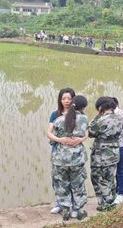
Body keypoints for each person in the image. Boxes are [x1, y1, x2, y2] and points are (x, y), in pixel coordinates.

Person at [48, 95, 89, 221]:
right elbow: (86, 132)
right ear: (84, 107)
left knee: (62, 185)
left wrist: (62, 141)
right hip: (77, 158)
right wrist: (79, 140)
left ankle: (66, 212)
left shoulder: (59, 120)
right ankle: (79, 211)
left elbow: (52, 139)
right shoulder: (85, 119)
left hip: (61, 159)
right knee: (78, 184)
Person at [88, 97, 123, 211]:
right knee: (110, 177)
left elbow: (91, 132)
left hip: (101, 154)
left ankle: (106, 204)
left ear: (100, 107)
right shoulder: (119, 117)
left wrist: (97, 116)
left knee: (99, 178)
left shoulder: (101, 119)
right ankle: (111, 201)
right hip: (114, 152)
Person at [48, 87, 77, 216]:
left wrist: (77, 140)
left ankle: (75, 206)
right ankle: (60, 203)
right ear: (60, 100)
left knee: (74, 179)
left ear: (73, 100)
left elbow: (84, 132)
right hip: (58, 150)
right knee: (57, 179)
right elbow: (49, 133)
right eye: (63, 98)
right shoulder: (55, 114)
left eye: (69, 99)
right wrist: (60, 140)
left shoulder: (79, 115)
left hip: (74, 152)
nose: (66, 101)